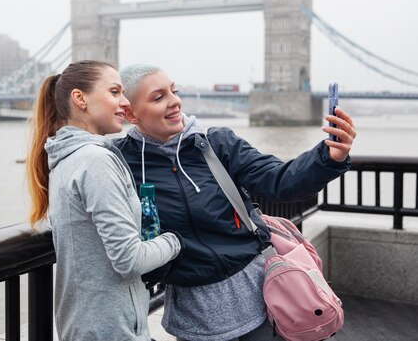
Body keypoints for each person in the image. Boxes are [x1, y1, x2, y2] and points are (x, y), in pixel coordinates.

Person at [115, 65, 357, 341]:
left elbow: (279, 180)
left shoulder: (217, 144)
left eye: (174, 91)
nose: (174, 102)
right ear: (131, 113)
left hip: (257, 297)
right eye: (158, 97)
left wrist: (329, 157)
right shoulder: (120, 162)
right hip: (194, 313)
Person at [26, 60, 182, 341]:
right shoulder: (95, 161)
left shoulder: (67, 157)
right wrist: (176, 241)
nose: (124, 102)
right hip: (111, 330)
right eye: (114, 92)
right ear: (80, 98)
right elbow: (129, 260)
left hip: (88, 325)